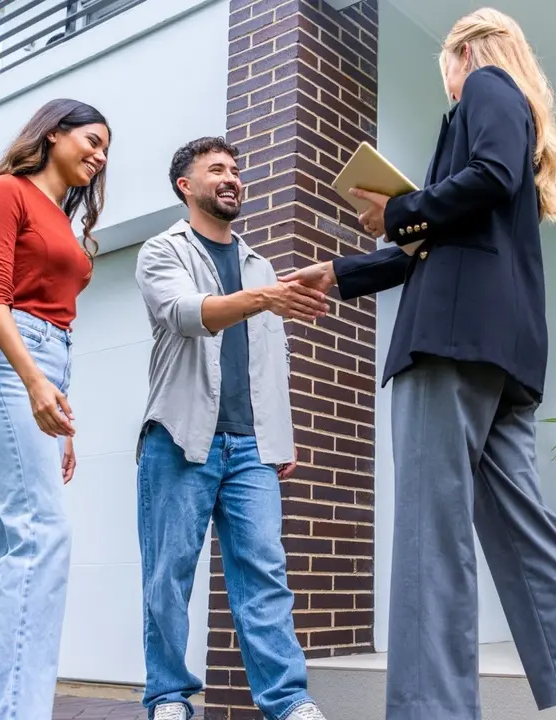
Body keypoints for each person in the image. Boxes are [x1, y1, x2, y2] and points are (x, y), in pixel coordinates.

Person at [281, 9, 556, 720]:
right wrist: (343, 272)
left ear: (464, 52)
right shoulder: (514, 110)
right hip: (501, 354)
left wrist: (398, 210)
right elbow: (442, 239)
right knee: (524, 528)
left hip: (447, 343)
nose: (447, 82)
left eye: (444, 68)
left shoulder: (485, 85)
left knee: (430, 536)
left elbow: (484, 177)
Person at [133, 137, 331, 720]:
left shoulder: (258, 264)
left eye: (236, 170)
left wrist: (280, 436)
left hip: (251, 448)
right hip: (180, 438)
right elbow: (185, 314)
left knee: (264, 576)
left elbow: (273, 357)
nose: (232, 178)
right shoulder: (162, 251)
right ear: (185, 186)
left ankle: (288, 701)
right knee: (168, 576)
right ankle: (168, 697)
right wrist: (263, 298)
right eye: (216, 169)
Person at [0, 98, 110, 720]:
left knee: (0, 556)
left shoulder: (62, 220)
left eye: (106, 149)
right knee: (43, 535)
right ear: (54, 134)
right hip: (8, 369)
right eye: (92, 140)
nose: (99, 156)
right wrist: (34, 382)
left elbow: (59, 321)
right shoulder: (6, 191)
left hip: (45, 369)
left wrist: (58, 405)